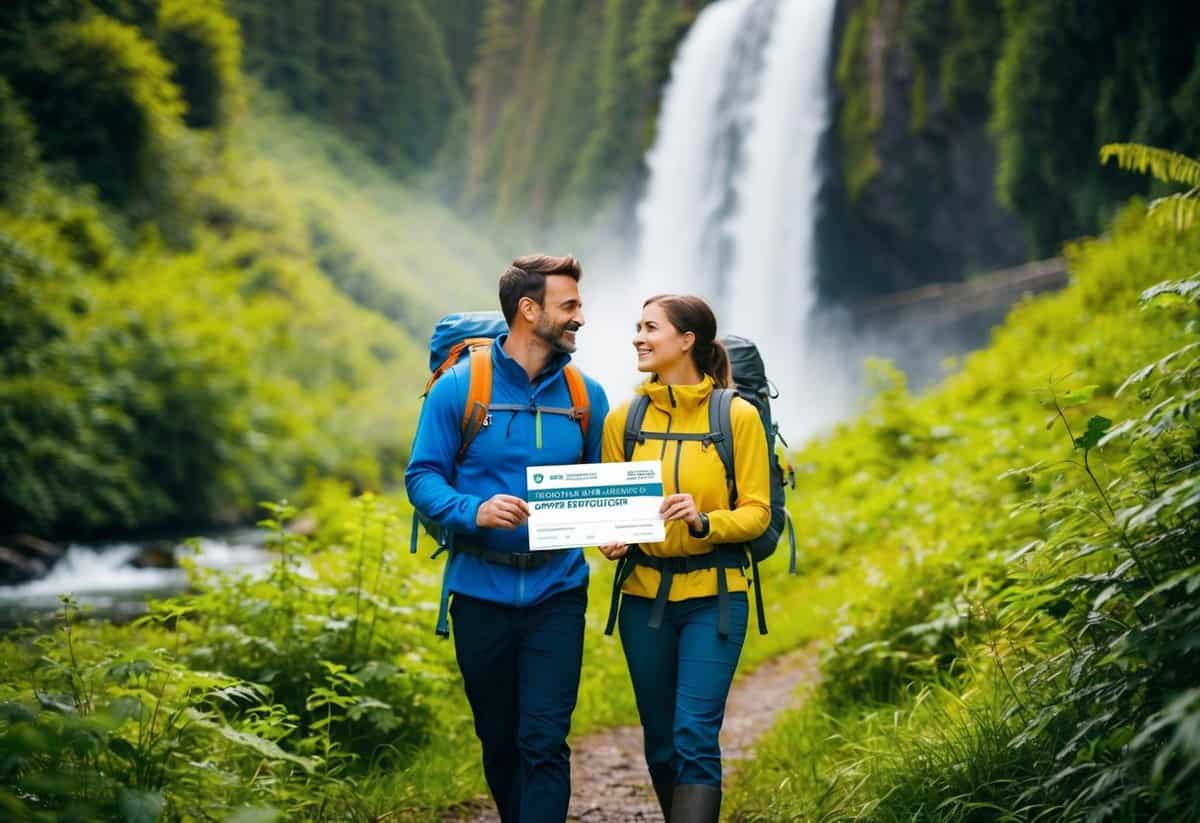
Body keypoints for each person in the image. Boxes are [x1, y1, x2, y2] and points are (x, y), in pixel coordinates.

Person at [405, 254, 609, 823]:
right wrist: (473, 509)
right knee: (499, 742)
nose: (581, 318)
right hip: (479, 591)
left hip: (558, 591)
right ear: (528, 310)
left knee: (544, 742)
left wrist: (612, 533)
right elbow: (421, 477)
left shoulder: (587, 395)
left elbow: (598, 488)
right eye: (570, 306)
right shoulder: (460, 389)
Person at [598, 294, 770, 823]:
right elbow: (609, 509)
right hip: (642, 599)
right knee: (660, 740)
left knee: (694, 733)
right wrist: (610, 538)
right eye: (637, 327)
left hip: (714, 600)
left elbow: (759, 513)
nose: (638, 337)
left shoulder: (736, 416)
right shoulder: (623, 419)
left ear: (687, 340)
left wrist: (704, 521)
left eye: (651, 328)